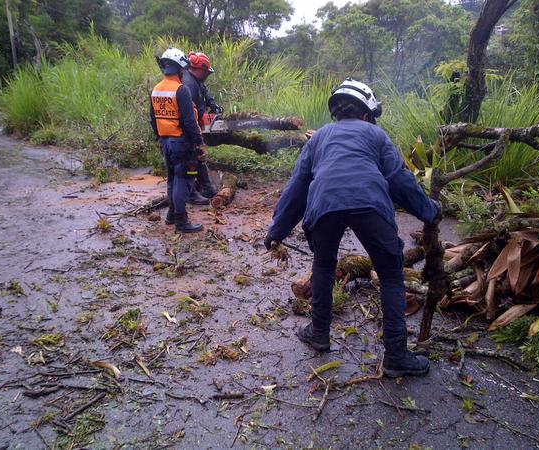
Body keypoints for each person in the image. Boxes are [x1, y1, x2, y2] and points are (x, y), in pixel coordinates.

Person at [264, 78, 441, 377]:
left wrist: (276, 232)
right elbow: (399, 180)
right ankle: (396, 355)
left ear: (337, 112)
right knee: (391, 274)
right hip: (370, 203)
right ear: (367, 114)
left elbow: (296, 189)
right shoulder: (376, 135)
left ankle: (319, 333)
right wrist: (429, 211)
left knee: (323, 265)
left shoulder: (318, 139)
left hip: (324, 205)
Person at [150, 47, 207, 233]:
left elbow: (153, 120)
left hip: (166, 143)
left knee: (172, 179)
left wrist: (160, 138)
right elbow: (190, 122)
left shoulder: (156, 90)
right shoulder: (181, 90)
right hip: (182, 143)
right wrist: (199, 143)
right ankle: (181, 222)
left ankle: (171, 215)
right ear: (181, 68)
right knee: (187, 178)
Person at [181, 51, 223, 203]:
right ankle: (191, 192)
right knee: (192, 160)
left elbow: (205, 94)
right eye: (205, 72)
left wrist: (213, 106)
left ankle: (205, 187)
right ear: (199, 69)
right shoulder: (187, 84)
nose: (206, 75)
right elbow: (187, 114)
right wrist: (196, 133)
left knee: (198, 157)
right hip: (188, 128)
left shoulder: (196, 81)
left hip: (194, 125)